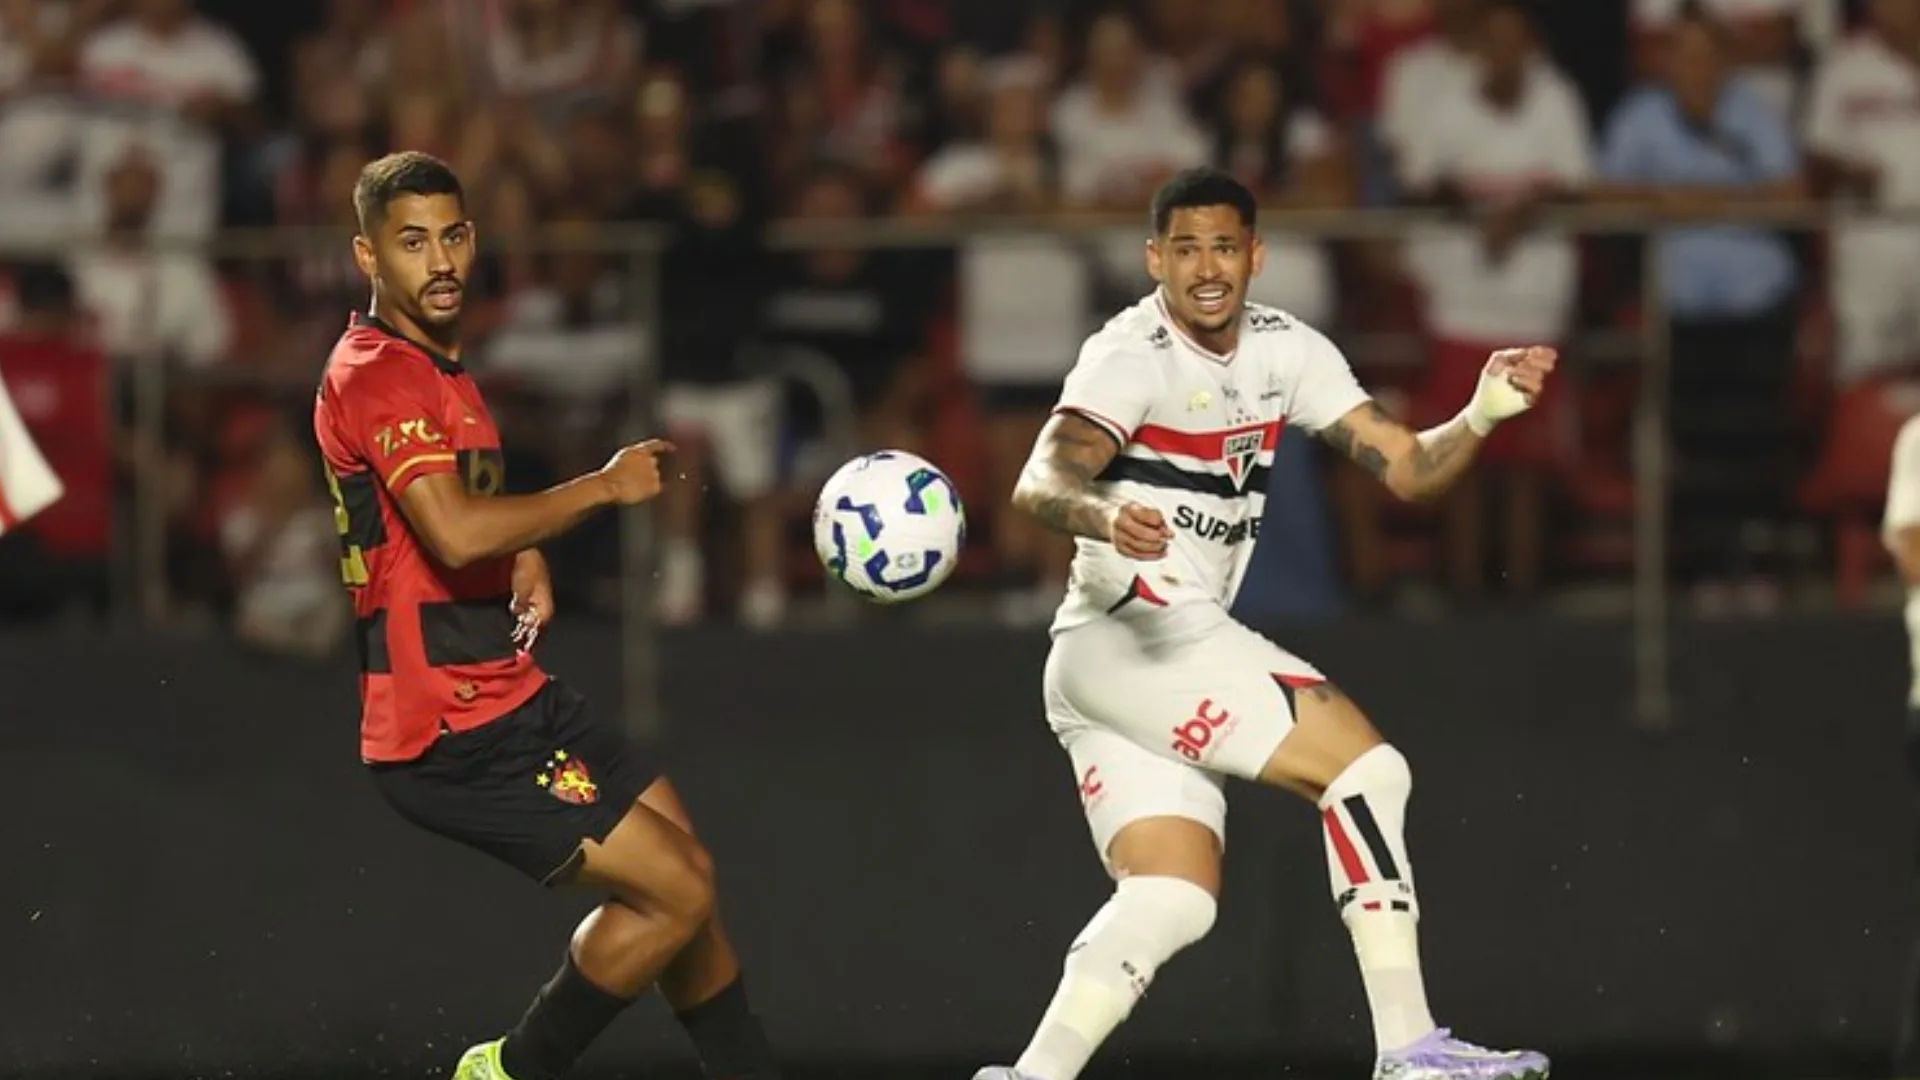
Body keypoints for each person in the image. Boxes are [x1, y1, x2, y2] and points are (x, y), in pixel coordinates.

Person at [974, 168, 1555, 1080]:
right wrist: (1098, 514)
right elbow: (1039, 481)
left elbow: (1405, 469)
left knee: (1172, 897)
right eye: (1187, 248)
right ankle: (1409, 1048)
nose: (1208, 268)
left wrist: (1480, 413)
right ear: (1154, 258)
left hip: (1096, 665)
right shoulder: (1129, 356)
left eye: (1225, 247)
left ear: (1257, 255)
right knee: (1366, 769)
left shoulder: (1289, 350)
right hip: (1145, 630)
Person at [311, 151, 781, 1080]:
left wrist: (520, 547)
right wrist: (600, 488)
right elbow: (448, 531)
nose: (438, 260)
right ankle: (508, 1071)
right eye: (411, 243)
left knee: (690, 891)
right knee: (675, 890)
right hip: (443, 724)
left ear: (474, 239)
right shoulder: (376, 373)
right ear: (367, 256)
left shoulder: (440, 369)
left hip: (509, 690)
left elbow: (459, 517)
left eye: (451, 235)